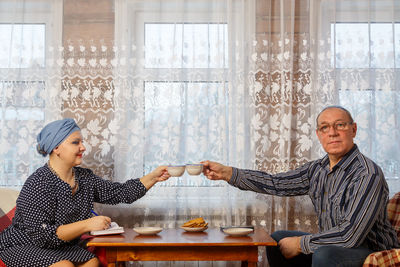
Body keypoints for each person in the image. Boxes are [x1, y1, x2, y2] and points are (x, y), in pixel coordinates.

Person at [202, 105, 399, 267]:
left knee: (325, 255)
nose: (332, 133)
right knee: (278, 239)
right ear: (318, 134)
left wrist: (300, 243)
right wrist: (228, 173)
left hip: (371, 249)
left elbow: (350, 235)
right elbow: (275, 183)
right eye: (325, 127)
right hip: (333, 244)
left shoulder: (367, 173)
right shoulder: (317, 169)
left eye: (340, 125)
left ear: (353, 129)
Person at [0, 118, 170, 267]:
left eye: (82, 142)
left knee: (92, 262)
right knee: (63, 266)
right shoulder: (38, 183)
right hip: (22, 245)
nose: (83, 147)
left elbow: (121, 193)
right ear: (56, 148)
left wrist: (153, 177)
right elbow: (43, 236)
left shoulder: (84, 178)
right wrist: (88, 224)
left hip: (59, 247)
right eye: (76, 142)